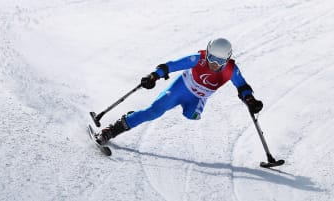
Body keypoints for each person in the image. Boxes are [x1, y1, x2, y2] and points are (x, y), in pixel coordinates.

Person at [95, 38, 263, 145]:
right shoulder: (199, 59)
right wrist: (155, 75)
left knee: (192, 116)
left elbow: (242, 86)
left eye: (219, 61)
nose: (213, 63)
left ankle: (137, 115)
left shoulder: (230, 70)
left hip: (197, 99)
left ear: (226, 59)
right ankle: (112, 130)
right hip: (180, 87)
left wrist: (250, 100)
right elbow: (174, 65)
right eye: (211, 57)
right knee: (154, 111)